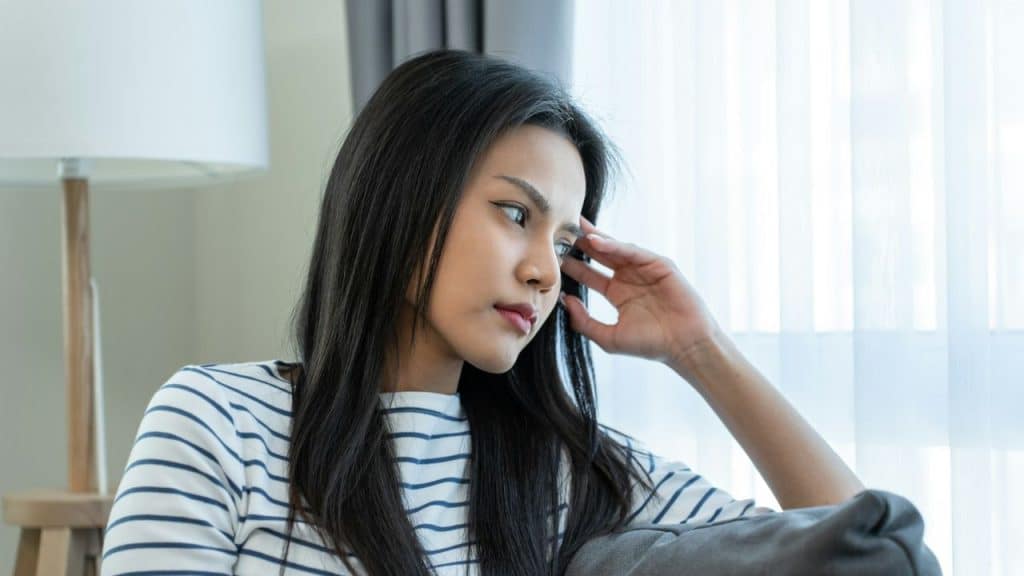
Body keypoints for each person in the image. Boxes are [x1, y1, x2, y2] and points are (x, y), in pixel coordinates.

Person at [100, 49, 864, 575]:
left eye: (565, 240)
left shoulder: (564, 469)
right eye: (513, 213)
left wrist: (699, 350)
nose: (541, 269)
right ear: (403, 197)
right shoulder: (220, 423)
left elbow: (868, 550)